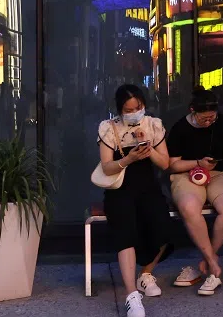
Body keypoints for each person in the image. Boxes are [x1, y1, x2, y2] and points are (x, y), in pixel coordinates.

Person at [166, 87, 223, 296]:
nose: (208, 122)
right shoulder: (181, 127)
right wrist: (198, 162)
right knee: (189, 207)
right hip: (187, 173)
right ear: (193, 111)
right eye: (204, 119)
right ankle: (213, 264)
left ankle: (209, 259)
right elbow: (173, 165)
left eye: (212, 118)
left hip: (217, 173)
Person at [97, 85, 175, 317]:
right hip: (120, 188)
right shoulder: (108, 127)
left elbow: (165, 163)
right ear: (120, 109)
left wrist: (148, 150)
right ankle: (131, 295)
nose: (134, 112)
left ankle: (145, 274)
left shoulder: (153, 124)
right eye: (129, 109)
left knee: (163, 227)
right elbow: (106, 166)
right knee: (126, 232)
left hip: (148, 186)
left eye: (138, 107)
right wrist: (128, 159)